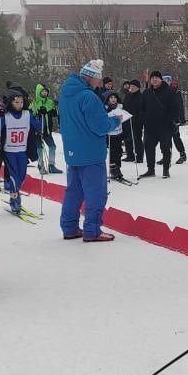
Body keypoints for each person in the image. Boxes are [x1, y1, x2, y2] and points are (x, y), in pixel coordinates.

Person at [57, 60, 126, 242]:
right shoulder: (88, 96)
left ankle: (69, 227)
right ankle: (92, 230)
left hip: (72, 149)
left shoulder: (66, 94)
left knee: (74, 192)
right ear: (92, 77)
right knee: (96, 192)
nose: (99, 82)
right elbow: (100, 126)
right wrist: (116, 120)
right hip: (91, 151)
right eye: (98, 78)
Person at [0, 89, 42, 215]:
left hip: (22, 150)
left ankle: (13, 192)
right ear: (11, 103)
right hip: (9, 151)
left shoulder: (27, 114)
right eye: (16, 102)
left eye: (21, 102)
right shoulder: (6, 116)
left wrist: (40, 116)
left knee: (21, 176)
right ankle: (15, 200)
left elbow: (38, 127)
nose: (19, 105)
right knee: (14, 177)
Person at [140, 71, 181, 179]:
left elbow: (174, 109)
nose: (154, 79)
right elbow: (142, 108)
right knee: (148, 147)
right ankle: (150, 169)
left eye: (157, 77)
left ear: (161, 79)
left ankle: (166, 170)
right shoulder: (146, 93)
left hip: (165, 126)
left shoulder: (169, 92)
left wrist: (168, 121)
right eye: (152, 77)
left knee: (166, 148)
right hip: (150, 126)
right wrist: (144, 119)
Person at [32, 83, 63, 175]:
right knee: (40, 148)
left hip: (47, 130)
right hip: (37, 130)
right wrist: (37, 113)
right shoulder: (34, 103)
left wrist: (57, 106)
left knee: (52, 146)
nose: (45, 93)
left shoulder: (49, 102)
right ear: (39, 92)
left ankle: (51, 165)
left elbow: (55, 114)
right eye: (43, 91)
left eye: (46, 92)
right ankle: (41, 164)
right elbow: (30, 114)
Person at [103, 91, 128, 182]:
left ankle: (118, 167)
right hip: (110, 133)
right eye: (111, 98)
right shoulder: (105, 108)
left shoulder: (120, 107)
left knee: (119, 151)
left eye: (114, 97)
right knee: (112, 151)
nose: (113, 99)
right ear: (108, 99)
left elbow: (124, 117)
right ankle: (113, 168)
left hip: (119, 132)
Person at [166, 75, 188, 165]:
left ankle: (182, 154)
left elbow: (180, 106)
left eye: (167, 80)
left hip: (174, 118)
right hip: (165, 118)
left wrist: (181, 118)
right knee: (165, 138)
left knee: (176, 137)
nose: (165, 81)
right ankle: (166, 156)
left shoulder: (175, 91)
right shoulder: (162, 90)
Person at [121, 80, 144, 164]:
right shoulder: (128, 95)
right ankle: (130, 155)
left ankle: (139, 156)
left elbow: (142, 109)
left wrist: (138, 118)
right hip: (127, 120)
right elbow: (125, 106)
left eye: (134, 86)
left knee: (137, 139)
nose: (132, 88)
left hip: (137, 121)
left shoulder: (141, 96)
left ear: (138, 87)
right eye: (131, 86)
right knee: (127, 138)